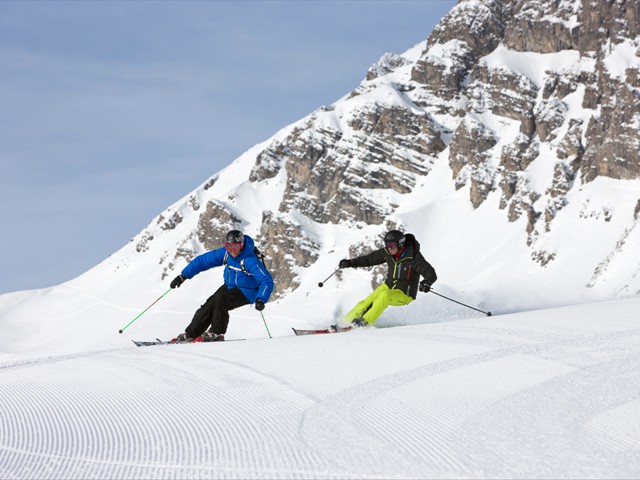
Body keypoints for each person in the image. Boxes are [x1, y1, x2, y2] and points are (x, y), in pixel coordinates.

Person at [169, 229, 274, 342]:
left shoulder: (250, 260)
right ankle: (191, 334)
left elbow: (266, 280)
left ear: (241, 245)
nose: (232, 251)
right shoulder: (226, 254)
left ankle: (216, 333)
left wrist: (261, 299)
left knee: (221, 299)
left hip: (248, 291)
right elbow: (203, 261)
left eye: (235, 247)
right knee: (210, 303)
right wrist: (183, 276)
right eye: (229, 247)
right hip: (230, 286)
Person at [337, 230, 437, 327]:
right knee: (366, 302)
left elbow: (430, 272)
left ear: (400, 244)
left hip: (404, 293)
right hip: (388, 286)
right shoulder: (387, 253)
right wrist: (349, 263)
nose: (389, 248)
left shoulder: (414, 257)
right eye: (387, 245)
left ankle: (364, 323)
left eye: (392, 245)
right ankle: (345, 322)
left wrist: (427, 282)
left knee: (385, 296)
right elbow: (368, 259)